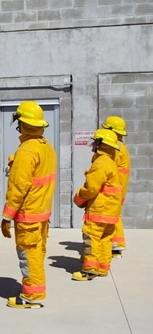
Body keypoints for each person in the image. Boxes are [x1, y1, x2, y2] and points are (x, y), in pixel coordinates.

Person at [1, 101, 56, 309]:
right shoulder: (46, 147)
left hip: (28, 216)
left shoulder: (26, 151)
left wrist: (6, 217)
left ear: (21, 124)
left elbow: (17, 188)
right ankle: (36, 290)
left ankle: (31, 297)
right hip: (42, 214)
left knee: (28, 255)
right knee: (37, 254)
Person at [72, 128, 122, 281]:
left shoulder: (100, 163)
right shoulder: (111, 162)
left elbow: (91, 188)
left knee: (91, 238)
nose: (93, 145)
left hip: (99, 210)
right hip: (111, 211)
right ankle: (102, 268)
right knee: (105, 239)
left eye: (95, 142)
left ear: (101, 144)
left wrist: (78, 198)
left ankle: (90, 270)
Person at [102, 116, 131, 258]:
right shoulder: (121, 145)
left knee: (114, 215)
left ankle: (116, 245)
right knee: (116, 213)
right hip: (120, 186)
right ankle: (116, 245)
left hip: (115, 188)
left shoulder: (116, 147)